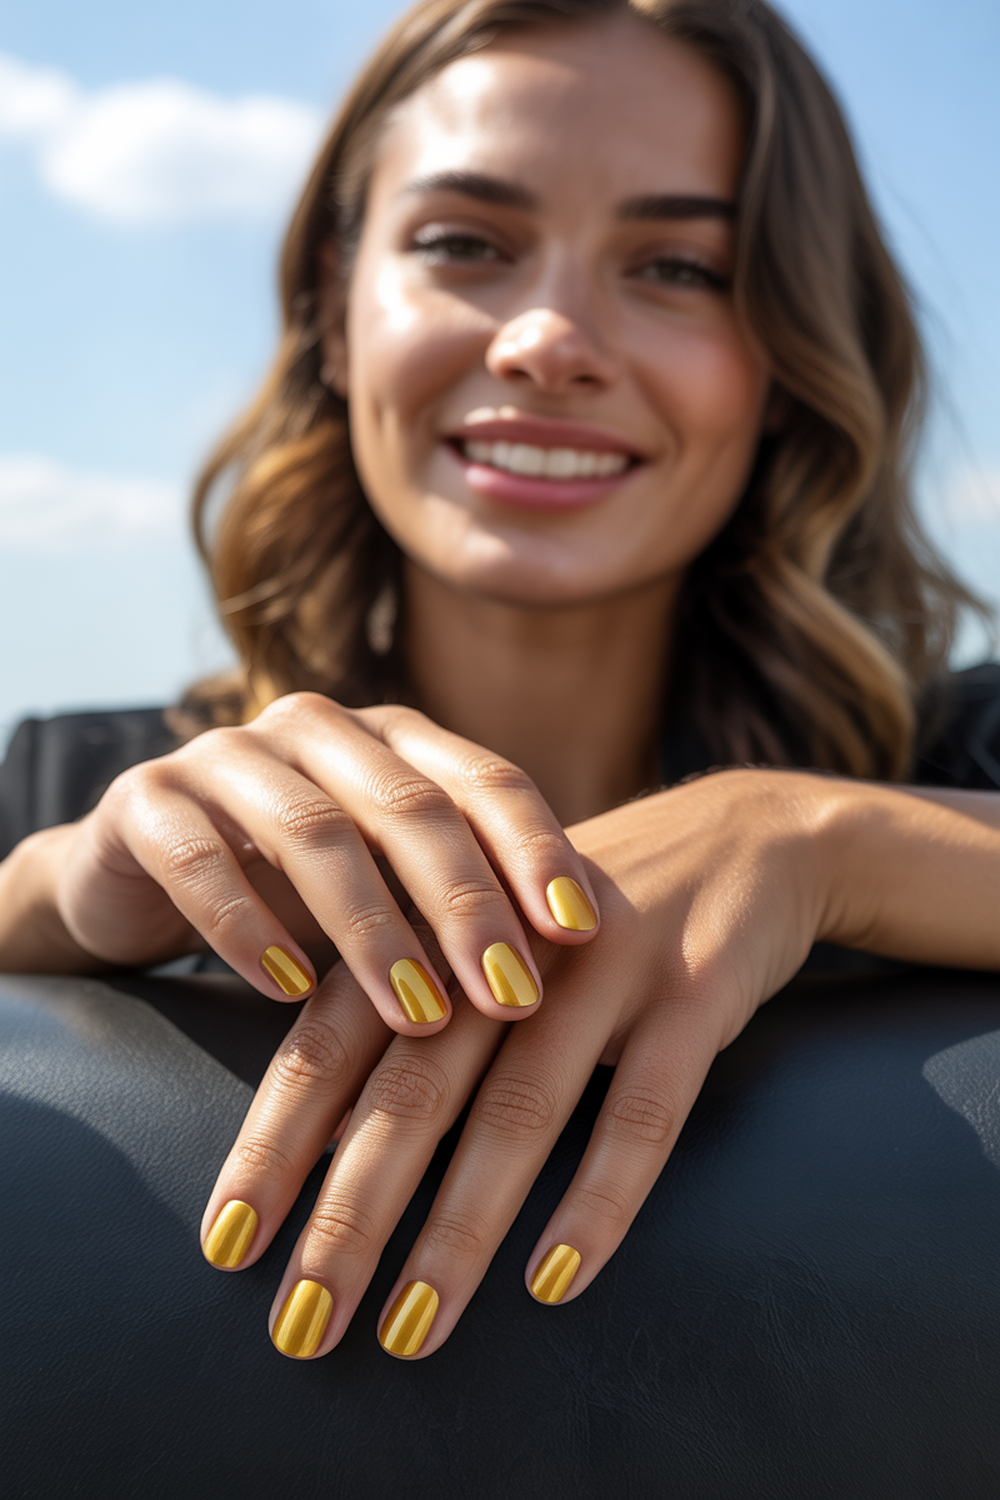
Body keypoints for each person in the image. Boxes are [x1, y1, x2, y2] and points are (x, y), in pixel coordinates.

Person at [2, 0, 1000, 1366]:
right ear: (333, 313)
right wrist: (43, 894)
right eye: (465, 243)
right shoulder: (82, 784)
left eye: (679, 267)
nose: (547, 340)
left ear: (783, 362)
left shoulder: (955, 766)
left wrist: (828, 836)